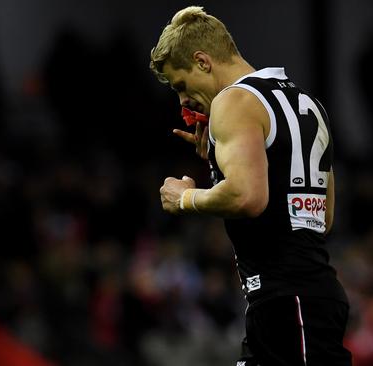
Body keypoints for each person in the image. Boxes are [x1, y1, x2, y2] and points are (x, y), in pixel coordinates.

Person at [150, 6, 351, 365]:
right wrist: (220, 161)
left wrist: (185, 198)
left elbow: (247, 196)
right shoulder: (308, 102)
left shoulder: (233, 100)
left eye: (180, 85)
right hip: (307, 296)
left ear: (202, 61)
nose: (182, 100)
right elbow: (325, 215)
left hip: (287, 301)